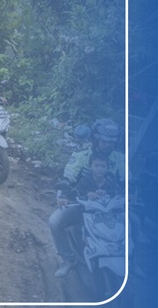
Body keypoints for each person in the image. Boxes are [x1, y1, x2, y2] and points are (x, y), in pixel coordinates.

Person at [49, 118, 124, 277]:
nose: (107, 145)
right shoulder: (82, 156)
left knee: (135, 222)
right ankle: (68, 259)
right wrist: (63, 195)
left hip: (113, 210)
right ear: (95, 139)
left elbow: (128, 181)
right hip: (82, 207)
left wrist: (131, 194)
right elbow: (68, 177)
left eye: (111, 142)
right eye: (104, 141)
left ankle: (131, 259)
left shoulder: (120, 158)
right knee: (54, 221)